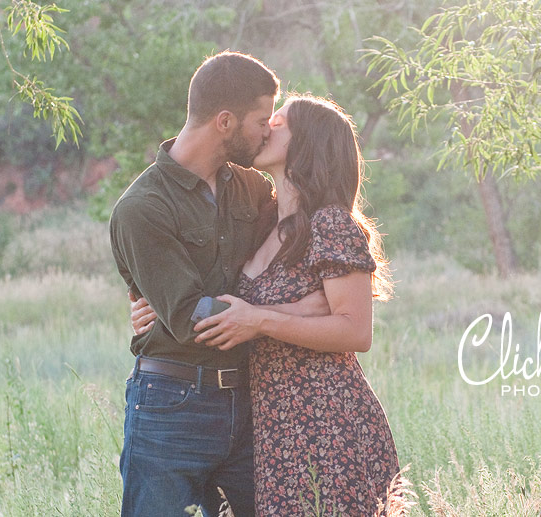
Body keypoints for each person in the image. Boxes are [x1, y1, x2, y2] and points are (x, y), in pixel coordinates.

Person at [133, 95, 400, 515]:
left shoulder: (330, 224)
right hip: (270, 425)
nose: (264, 128)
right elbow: (221, 294)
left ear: (306, 144)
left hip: (324, 417)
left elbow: (355, 331)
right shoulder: (263, 218)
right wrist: (158, 308)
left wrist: (261, 320)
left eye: (277, 122)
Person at [110, 52, 327, 517]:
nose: (268, 131)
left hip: (251, 403)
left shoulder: (251, 188)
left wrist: (321, 304)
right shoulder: (141, 208)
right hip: (173, 406)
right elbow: (192, 318)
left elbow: (290, 262)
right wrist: (300, 313)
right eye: (261, 120)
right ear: (225, 121)